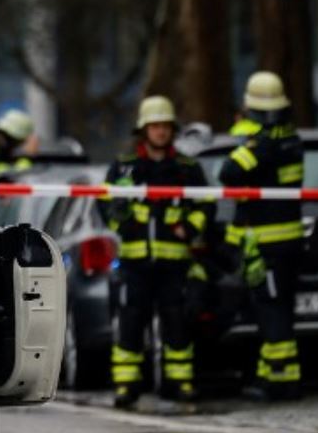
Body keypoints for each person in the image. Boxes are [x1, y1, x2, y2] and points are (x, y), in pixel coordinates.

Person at [102, 96, 209, 410]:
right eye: (155, 126)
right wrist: (121, 219)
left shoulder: (187, 169)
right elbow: (104, 204)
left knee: (177, 321)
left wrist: (188, 228)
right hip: (135, 262)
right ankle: (126, 385)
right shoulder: (124, 167)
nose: (160, 132)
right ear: (144, 130)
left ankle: (180, 382)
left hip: (174, 263)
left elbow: (205, 205)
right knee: (131, 323)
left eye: (165, 127)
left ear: (172, 130)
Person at [220, 71, 306, 401]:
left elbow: (227, 172)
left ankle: (282, 380)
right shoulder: (292, 141)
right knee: (277, 307)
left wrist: (248, 144)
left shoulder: (265, 145)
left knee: (273, 310)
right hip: (289, 241)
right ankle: (272, 373)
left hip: (270, 243)